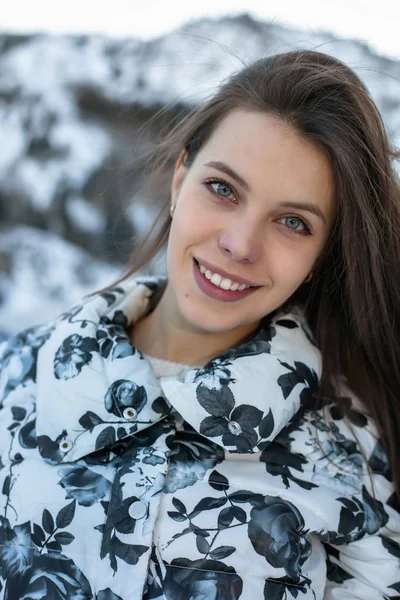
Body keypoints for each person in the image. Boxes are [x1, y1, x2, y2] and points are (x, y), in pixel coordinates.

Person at [0, 49, 399, 600]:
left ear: (322, 256)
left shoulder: (355, 456)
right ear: (180, 179)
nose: (239, 244)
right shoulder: (16, 375)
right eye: (222, 188)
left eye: (292, 222)